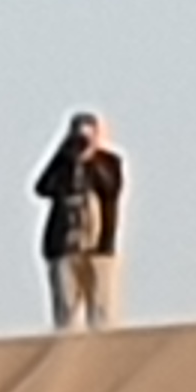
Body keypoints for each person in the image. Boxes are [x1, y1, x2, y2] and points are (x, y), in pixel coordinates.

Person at [33, 113, 124, 332]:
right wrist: (64, 156)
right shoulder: (62, 164)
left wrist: (92, 159)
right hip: (63, 247)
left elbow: (110, 188)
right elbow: (42, 188)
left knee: (102, 314)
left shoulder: (110, 162)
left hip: (99, 248)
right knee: (66, 317)